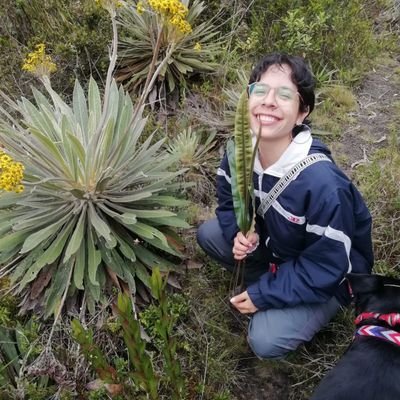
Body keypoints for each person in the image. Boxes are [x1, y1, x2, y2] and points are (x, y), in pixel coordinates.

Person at [197, 53, 373, 359]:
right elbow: (227, 202)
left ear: (302, 112)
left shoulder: (323, 184)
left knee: (264, 340)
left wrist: (263, 295)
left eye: (284, 94)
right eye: (260, 91)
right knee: (210, 234)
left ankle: (302, 298)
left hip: (332, 273)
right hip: (279, 248)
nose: (268, 101)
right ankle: (277, 281)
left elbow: (326, 265)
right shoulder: (239, 151)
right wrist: (240, 231)